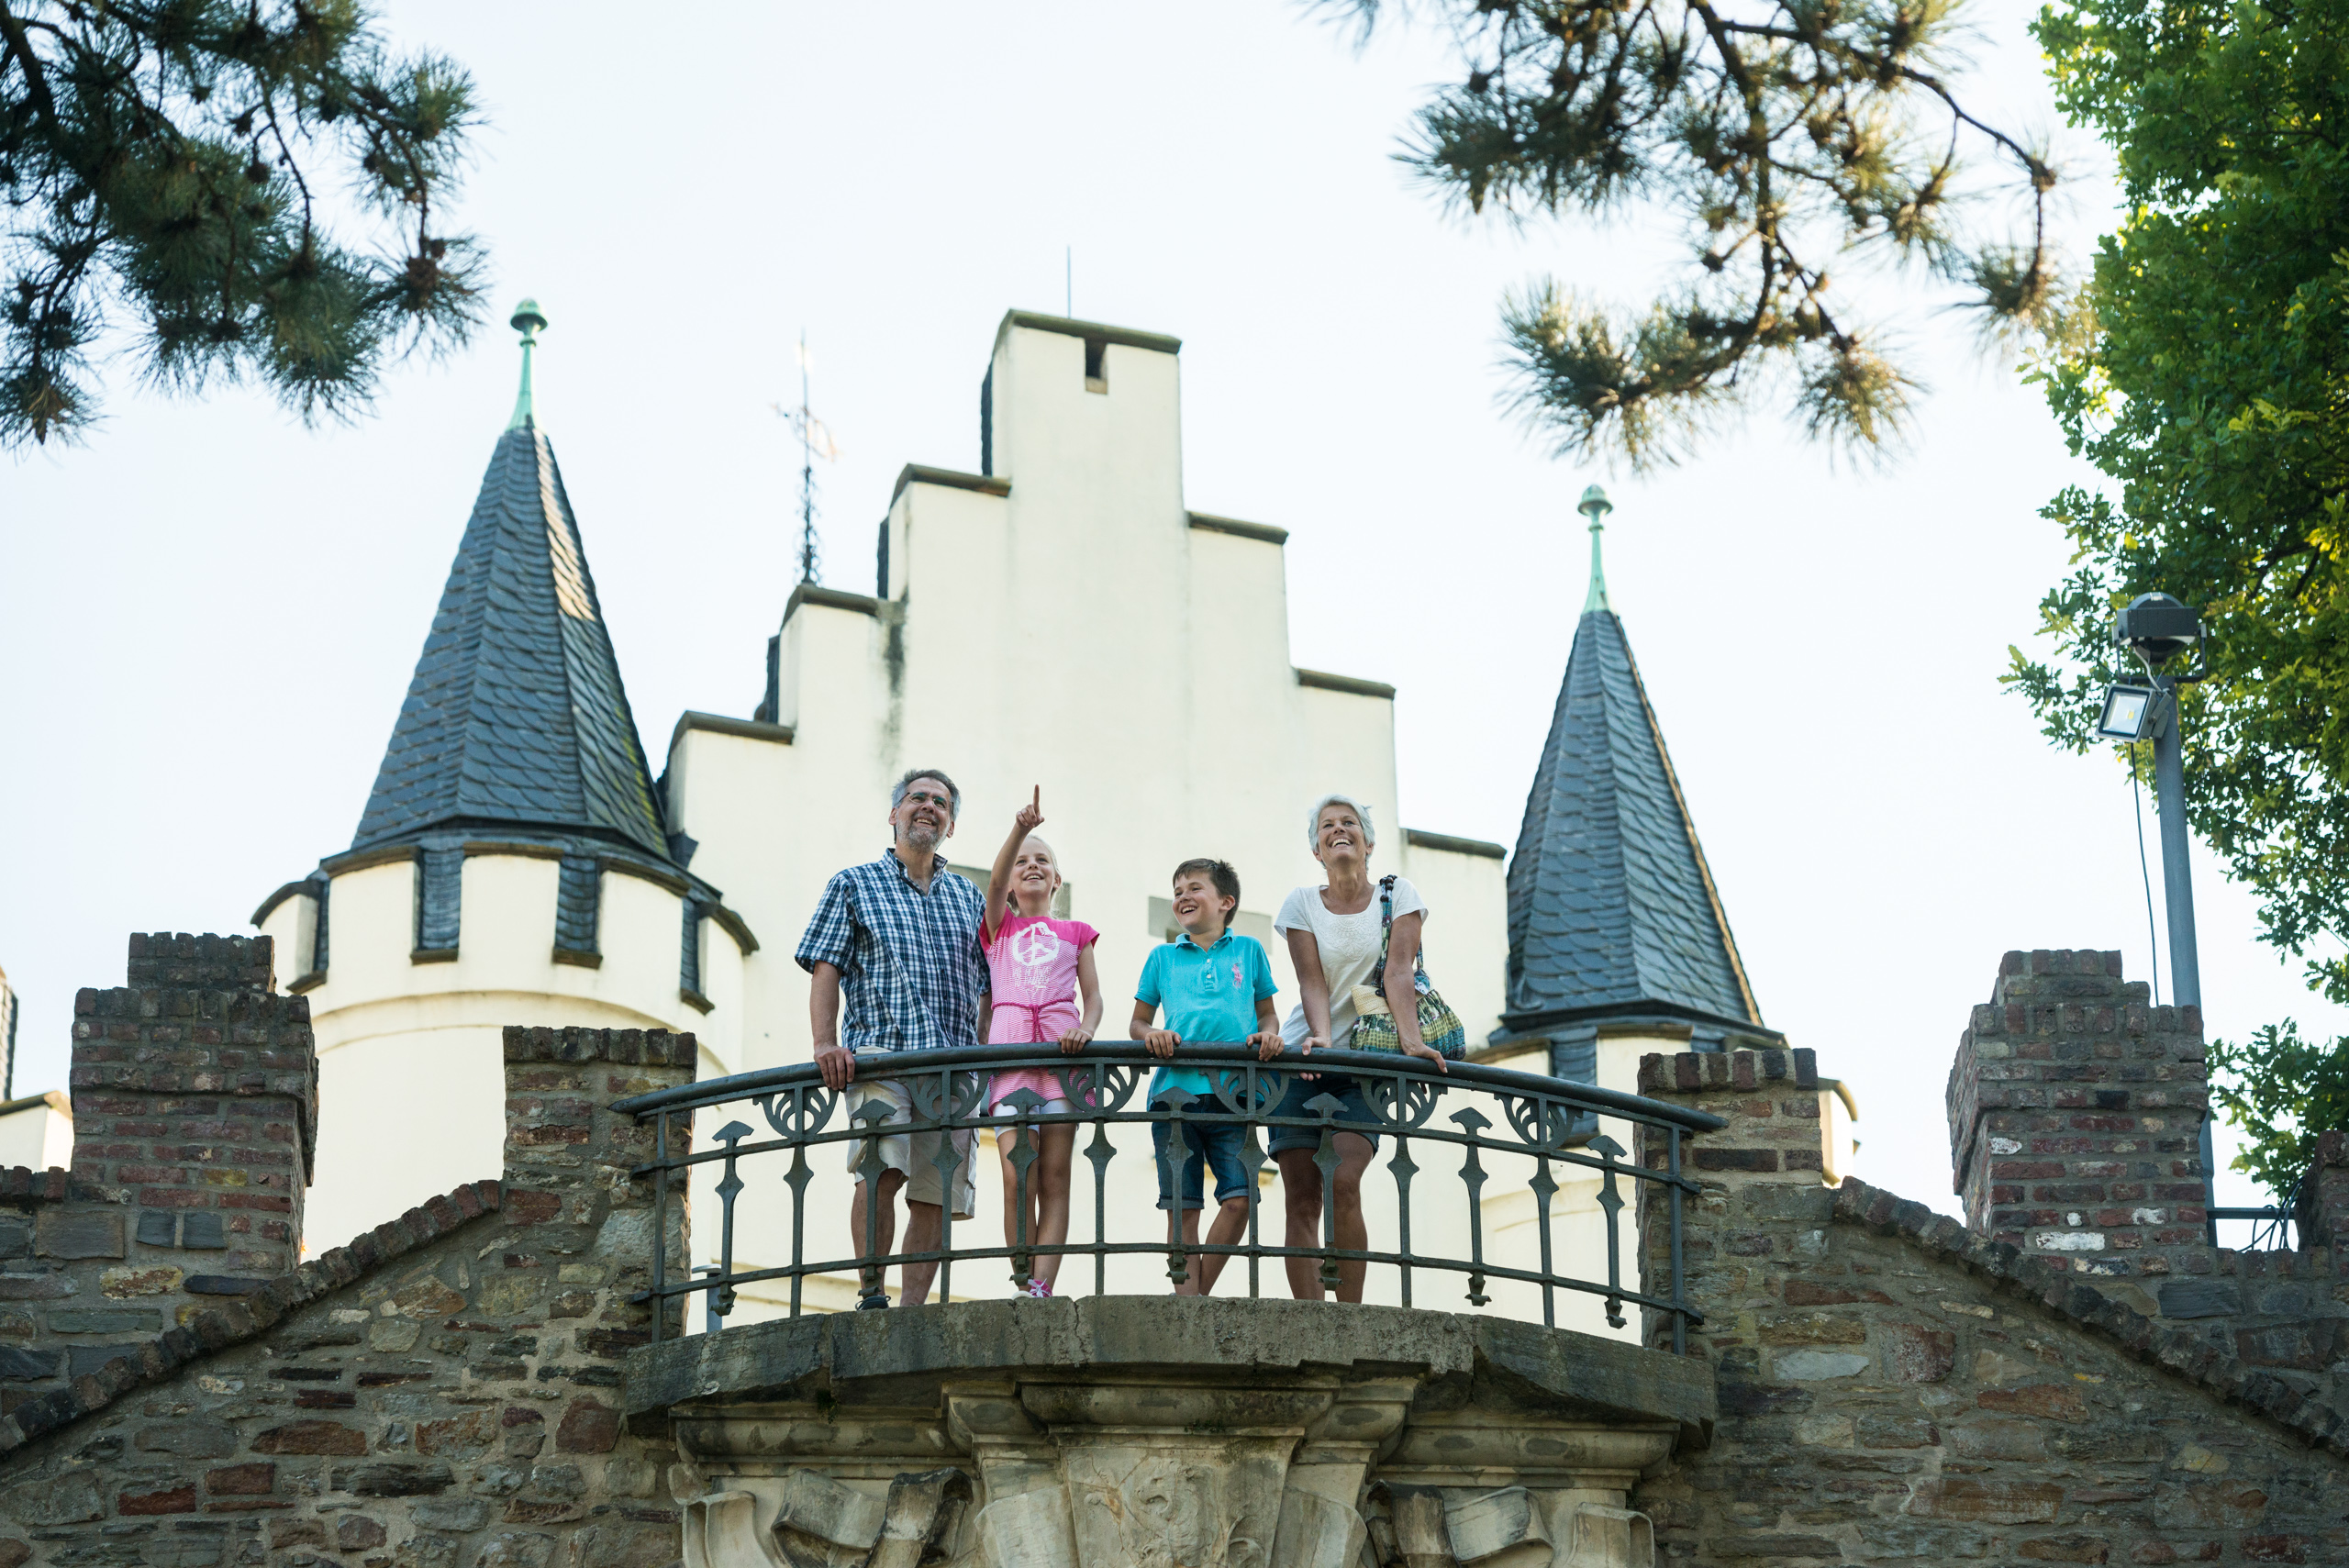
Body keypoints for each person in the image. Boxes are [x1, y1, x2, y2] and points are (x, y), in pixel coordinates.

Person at [796, 768, 988, 1309]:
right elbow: (826, 966)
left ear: (951, 825)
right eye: (917, 798)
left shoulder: (970, 898)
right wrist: (824, 1044)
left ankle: (911, 1313)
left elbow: (991, 985)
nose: (929, 807)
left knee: (937, 1192)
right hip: (880, 1055)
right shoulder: (853, 884)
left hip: (953, 1067)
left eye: (941, 803)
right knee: (879, 1169)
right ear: (894, 814)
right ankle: (872, 1296)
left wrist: (985, 1054)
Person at [1272, 794, 1449, 1302]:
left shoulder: (1399, 896)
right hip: (1304, 1058)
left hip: (1364, 1065)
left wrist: (1412, 1043)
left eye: (1349, 822)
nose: (1338, 830)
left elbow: (1399, 973)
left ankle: (1350, 1317)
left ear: (1368, 843)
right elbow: (1311, 982)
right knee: (1302, 1198)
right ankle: (1310, 1320)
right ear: (1317, 850)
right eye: (1327, 826)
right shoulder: (1301, 904)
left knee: (1344, 1181)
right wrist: (1321, 1039)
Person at [1131, 858, 1282, 1296]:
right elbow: (1138, 1022)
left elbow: (1268, 1013)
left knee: (1240, 1199)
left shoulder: (1249, 950)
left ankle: (1193, 1300)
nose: (1183, 897)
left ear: (1225, 902)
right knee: (1183, 1208)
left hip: (1235, 1094)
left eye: (1194, 888)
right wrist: (1153, 1034)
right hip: (1175, 1093)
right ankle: (1188, 1305)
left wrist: (1269, 1034)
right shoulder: (1162, 957)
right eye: (1177, 891)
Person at [978, 786, 1101, 1297]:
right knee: (1016, 1177)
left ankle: (1041, 1289)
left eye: (1042, 860)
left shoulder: (1077, 932)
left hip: (1061, 1060)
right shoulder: (998, 928)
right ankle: (1022, 1275)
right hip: (1010, 1061)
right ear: (1010, 882)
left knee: (1054, 1178)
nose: (1032, 865)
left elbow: (1093, 998)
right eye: (1022, 862)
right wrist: (1021, 829)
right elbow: (992, 880)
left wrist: (1085, 1029)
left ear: (1056, 880)